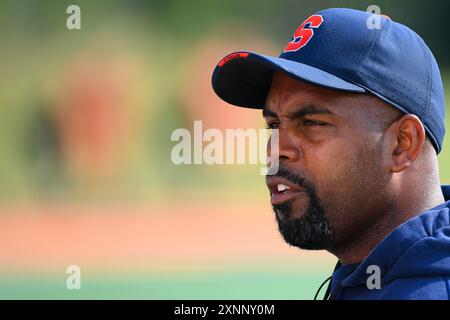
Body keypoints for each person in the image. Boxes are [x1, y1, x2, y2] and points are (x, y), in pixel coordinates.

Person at [211, 8, 450, 299]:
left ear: (403, 143)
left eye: (311, 123)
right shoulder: (378, 274)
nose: (276, 150)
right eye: (274, 124)